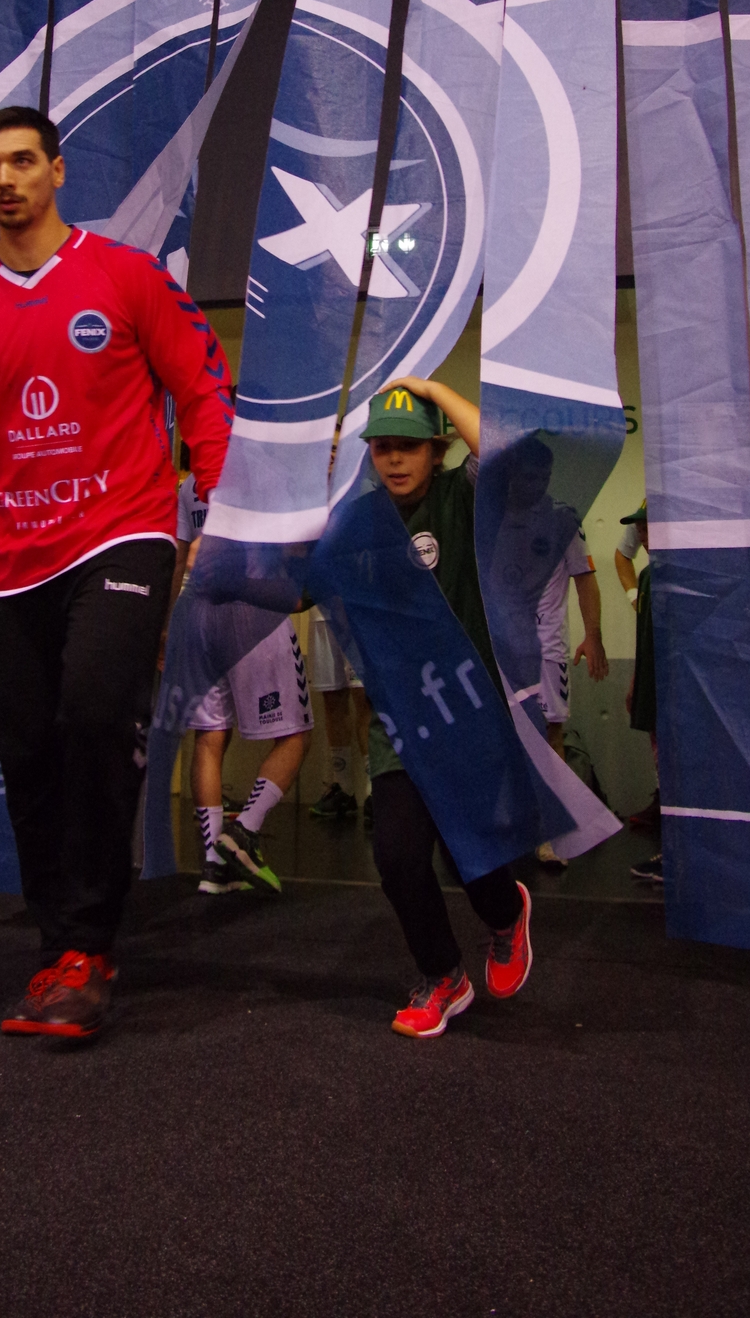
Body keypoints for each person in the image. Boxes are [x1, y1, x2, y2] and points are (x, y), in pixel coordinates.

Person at [0, 106, 233, 1041]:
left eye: (22, 161)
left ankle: (89, 947)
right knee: (29, 757)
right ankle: (62, 948)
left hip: (123, 534)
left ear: (58, 171)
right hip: (15, 560)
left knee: (96, 715)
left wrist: (218, 516)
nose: (5, 179)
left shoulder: (126, 276)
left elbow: (203, 390)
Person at [360, 378, 533, 1039]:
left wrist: (433, 389)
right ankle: (443, 978)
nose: (395, 459)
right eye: (383, 447)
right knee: (398, 857)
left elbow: (506, 454)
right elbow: (299, 586)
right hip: (399, 721)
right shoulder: (361, 523)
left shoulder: (462, 499)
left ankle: (506, 915)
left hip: (466, 712)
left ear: (436, 451)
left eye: (409, 446)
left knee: (470, 858)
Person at [171, 461, 313, 895]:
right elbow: (293, 548)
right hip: (255, 608)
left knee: (209, 738)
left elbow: (179, 558)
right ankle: (243, 832)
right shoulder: (265, 470)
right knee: (295, 735)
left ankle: (215, 864)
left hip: (198, 612)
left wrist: (166, 625)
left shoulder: (191, 485)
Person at [484, 437, 608, 868]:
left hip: (546, 648)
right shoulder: (489, 515)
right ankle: (509, 824)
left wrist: (594, 635)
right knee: (501, 736)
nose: (536, 485)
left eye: (544, 477)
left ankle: (552, 831)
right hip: (499, 646)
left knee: (550, 734)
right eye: (528, 476)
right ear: (511, 476)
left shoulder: (562, 520)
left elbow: (585, 579)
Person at [620, 503, 663, 885]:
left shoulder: (682, 577)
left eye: (649, 527)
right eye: (641, 529)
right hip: (653, 684)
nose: (644, 536)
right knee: (662, 763)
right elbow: (646, 636)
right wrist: (637, 680)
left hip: (677, 694)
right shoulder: (649, 577)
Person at [307, 609, 372, 825]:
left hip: (357, 611)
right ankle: (343, 788)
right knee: (332, 698)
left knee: (364, 699)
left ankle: (375, 791)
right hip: (321, 613)